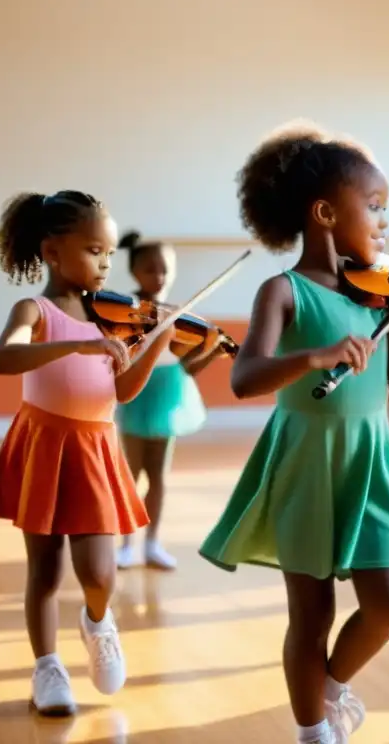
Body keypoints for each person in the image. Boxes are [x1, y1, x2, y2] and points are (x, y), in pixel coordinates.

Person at [198, 119, 389, 744]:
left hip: (371, 461)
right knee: (310, 616)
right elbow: (245, 377)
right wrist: (314, 356)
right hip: (306, 462)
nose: (385, 224)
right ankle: (312, 731)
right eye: (374, 207)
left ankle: (332, 685)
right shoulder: (282, 292)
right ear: (324, 213)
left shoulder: (384, 296)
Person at [0, 190, 176, 716]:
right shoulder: (34, 310)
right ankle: (47, 669)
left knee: (100, 573)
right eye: (95, 251)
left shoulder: (109, 318)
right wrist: (76, 345)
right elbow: (4, 358)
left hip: (93, 448)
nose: (105, 264)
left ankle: (97, 621)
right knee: (44, 571)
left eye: (109, 254)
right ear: (51, 251)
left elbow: (124, 391)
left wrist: (157, 341)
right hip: (43, 444)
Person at [114, 230, 225, 571]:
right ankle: (127, 543)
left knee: (159, 475)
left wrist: (212, 349)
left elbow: (187, 367)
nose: (158, 277)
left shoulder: (178, 314)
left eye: (165, 270)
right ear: (134, 272)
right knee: (131, 473)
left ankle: (152, 543)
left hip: (168, 393)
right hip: (136, 391)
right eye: (150, 269)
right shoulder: (122, 310)